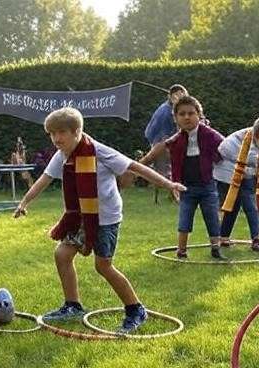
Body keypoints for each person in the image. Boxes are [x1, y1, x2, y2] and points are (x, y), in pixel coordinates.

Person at [13, 107, 186, 334]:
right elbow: (44, 179)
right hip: (80, 215)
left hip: (106, 217)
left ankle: (136, 309)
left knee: (103, 266)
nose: (56, 138)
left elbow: (134, 167)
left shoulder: (98, 151)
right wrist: (24, 202)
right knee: (62, 254)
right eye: (52, 134)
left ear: (76, 131)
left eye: (61, 132)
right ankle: (72, 305)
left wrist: (168, 184)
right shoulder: (62, 154)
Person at [140, 95, 226, 260]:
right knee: (185, 218)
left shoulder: (209, 134)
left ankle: (216, 248)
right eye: (182, 114)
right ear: (176, 118)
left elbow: (226, 146)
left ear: (199, 115)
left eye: (191, 113)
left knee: (212, 216)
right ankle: (181, 250)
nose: (187, 117)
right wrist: (139, 164)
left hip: (207, 184)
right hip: (186, 186)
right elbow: (159, 148)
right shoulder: (176, 139)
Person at [214, 116, 259, 250]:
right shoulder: (243, 141)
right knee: (246, 207)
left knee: (244, 206)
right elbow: (227, 150)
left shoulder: (258, 142)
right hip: (229, 174)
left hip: (242, 174)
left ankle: (230, 238)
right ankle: (254, 239)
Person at [144, 84, 188, 179]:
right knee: (165, 175)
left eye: (182, 95)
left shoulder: (171, 108)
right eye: (178, 95)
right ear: (170, 97)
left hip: (162, 141)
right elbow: (164, 136)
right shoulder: (166, 112)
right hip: (161, 142)